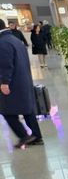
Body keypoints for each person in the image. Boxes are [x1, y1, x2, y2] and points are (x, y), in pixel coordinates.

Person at [0, 19, 44, 148]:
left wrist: (4, 82)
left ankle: (24, 136)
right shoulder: (15, 40)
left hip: (12, 82)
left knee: (7, 111)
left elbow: (5, 65)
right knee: (27, 109)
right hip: (22, 80)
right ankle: (36, 136)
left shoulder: (3, 42)